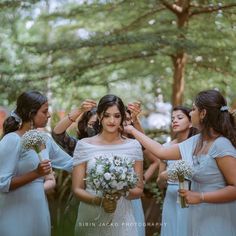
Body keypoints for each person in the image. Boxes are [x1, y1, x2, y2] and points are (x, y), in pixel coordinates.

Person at [125, 89, 236, 236]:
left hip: (217, 217)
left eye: (194, 109)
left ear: (203, 114)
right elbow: (161, 151)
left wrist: (200, 197)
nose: (190, 113)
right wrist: (132, 129)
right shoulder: (197, 141)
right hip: (197, 216)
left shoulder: (221, 145)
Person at [0, 91, 73, 236]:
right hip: (15, 210)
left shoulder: (44, 139)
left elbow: (71, 163)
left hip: (38, 208)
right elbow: (3, 183)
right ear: (31, 113)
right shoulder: (11, 140)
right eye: (45, 111)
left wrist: (102, 162)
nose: (49, 115)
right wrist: (36, 174)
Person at [72, 94, 144, 236]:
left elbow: (139, 189)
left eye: (117, 116)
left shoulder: (134, 146)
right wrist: (99, 200)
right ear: (99, 116)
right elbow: (77, 189)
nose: (112, 120)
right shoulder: (84, 145)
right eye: (107, 115)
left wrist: (119, 193)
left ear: (123, 117)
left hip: (122, 215)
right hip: (91, 215)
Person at [156, 106, 197, 236]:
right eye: (172, 118)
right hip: (171, 197)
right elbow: (159, 184)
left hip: (192, 197)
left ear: (190, 122)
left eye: (179, 118)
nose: (174, 121)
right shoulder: (165, 148)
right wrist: (163, 176)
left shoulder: (197, 146)